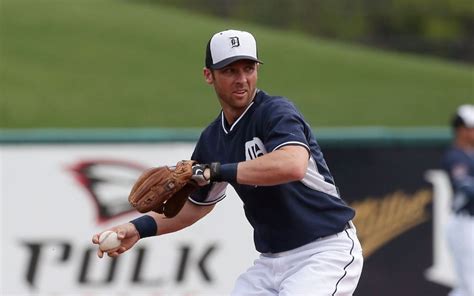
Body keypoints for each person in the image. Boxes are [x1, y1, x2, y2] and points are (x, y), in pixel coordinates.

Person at [92, 29, 363, 295]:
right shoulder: (213, 139)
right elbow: (194, 207)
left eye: (248, 68)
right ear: (208, 75)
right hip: (270, 263)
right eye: (230, 70)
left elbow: (292, 165)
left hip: (323, 252)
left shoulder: (275, 113)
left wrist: (217, 171)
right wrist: (136, 229)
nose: (242, 79)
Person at [442, 104, 474, 296]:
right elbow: (465, 186)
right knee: (470, 286)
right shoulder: (455, 156)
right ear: (461, 130)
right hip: (464, 223)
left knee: (467, 287)